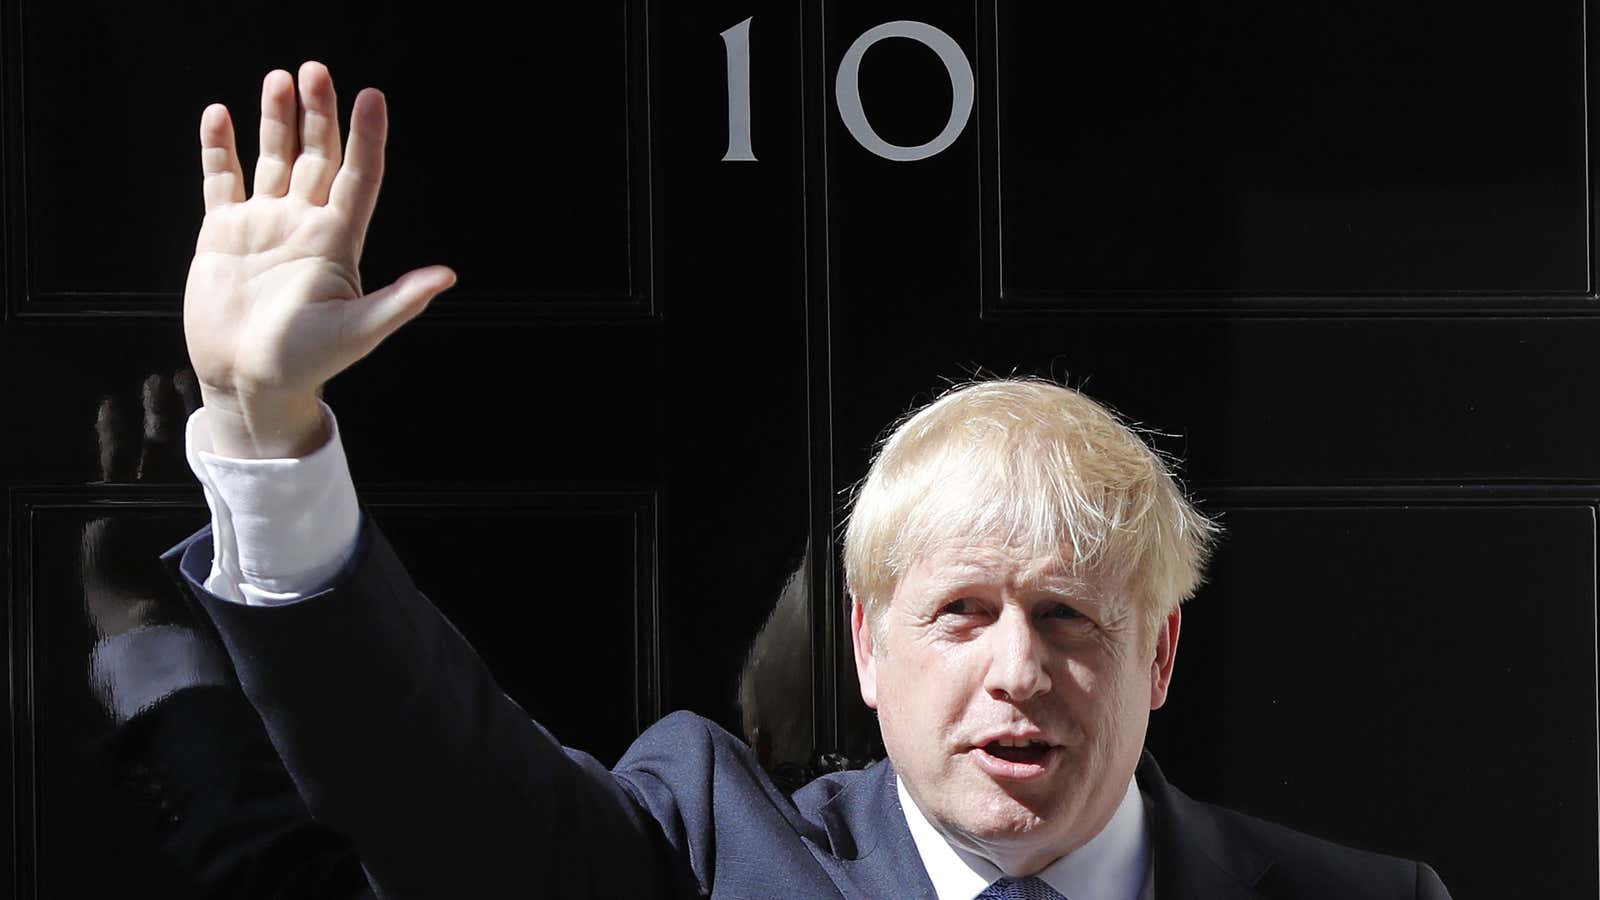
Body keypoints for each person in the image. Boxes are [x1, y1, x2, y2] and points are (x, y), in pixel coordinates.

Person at [168, 60, 1454, 898]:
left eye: (1069, 615)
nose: (1017, 670)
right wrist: (269, 426)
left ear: (1160, 659)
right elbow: (430, 787)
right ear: (867, 650)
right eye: (959, 610)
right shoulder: (708, 849)